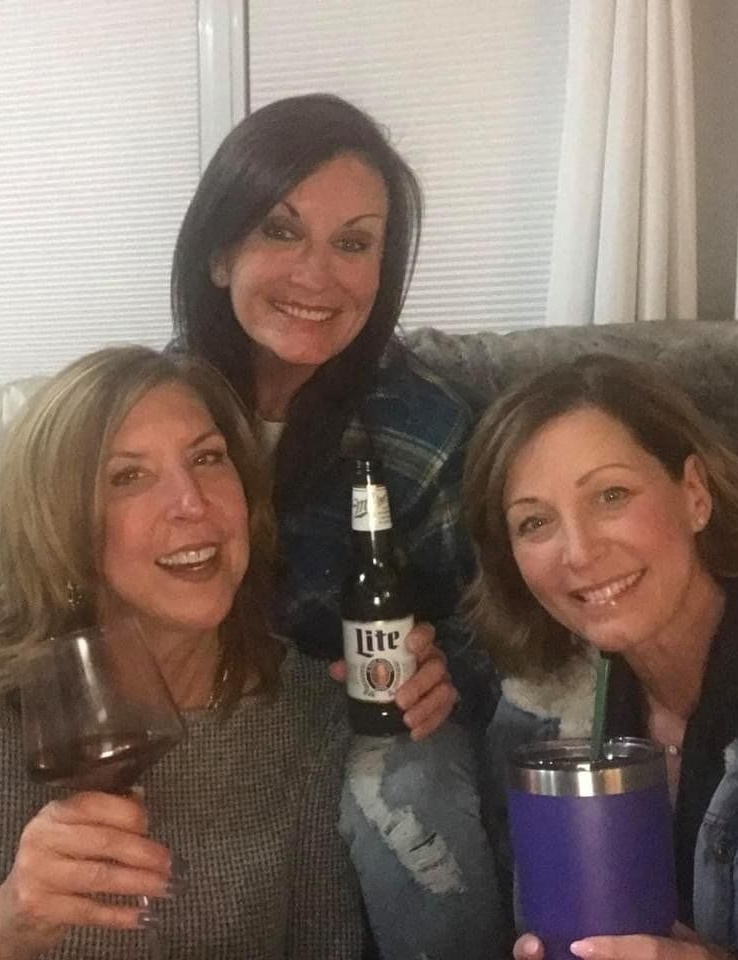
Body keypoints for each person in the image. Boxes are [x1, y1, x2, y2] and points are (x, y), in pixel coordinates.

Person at [0, 345, 364, 959]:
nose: (192, 503)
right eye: (129, 476)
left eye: (207, 458)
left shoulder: (308, 708)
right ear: (62, 524)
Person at [169, 92, 506, 958]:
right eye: (281, 231)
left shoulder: (426, 425)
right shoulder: (150, 415)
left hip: (362, 728)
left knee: (408, 786)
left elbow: (503, 627)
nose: (318, 276)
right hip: (194, 717)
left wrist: (446, 671)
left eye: (353, 242)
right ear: (218, 253)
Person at [463, 353, 738, 960]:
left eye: (610, 495)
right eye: (534, 523)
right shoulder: (536, 713)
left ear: (694, 495)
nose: (577, 552)